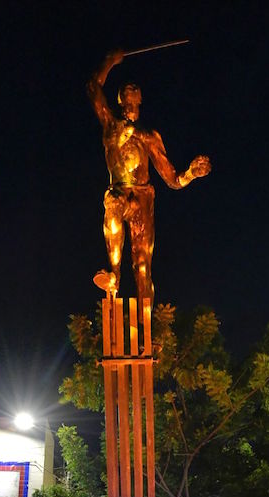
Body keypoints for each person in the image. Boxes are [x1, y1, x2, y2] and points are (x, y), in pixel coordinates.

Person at [87, 49, 211, 314]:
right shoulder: (111, 125)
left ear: (140, 103)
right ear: (120, 102)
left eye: (135, 102)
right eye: (126, 102)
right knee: (113, 205)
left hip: (143, 198)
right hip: (119, 192)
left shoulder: (149, 136)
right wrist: (109, 61)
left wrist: (191, 172)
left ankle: (145, 326)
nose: (130, 107)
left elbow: (173, 179)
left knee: (143, 265)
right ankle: (113, 276)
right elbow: (93, 87)